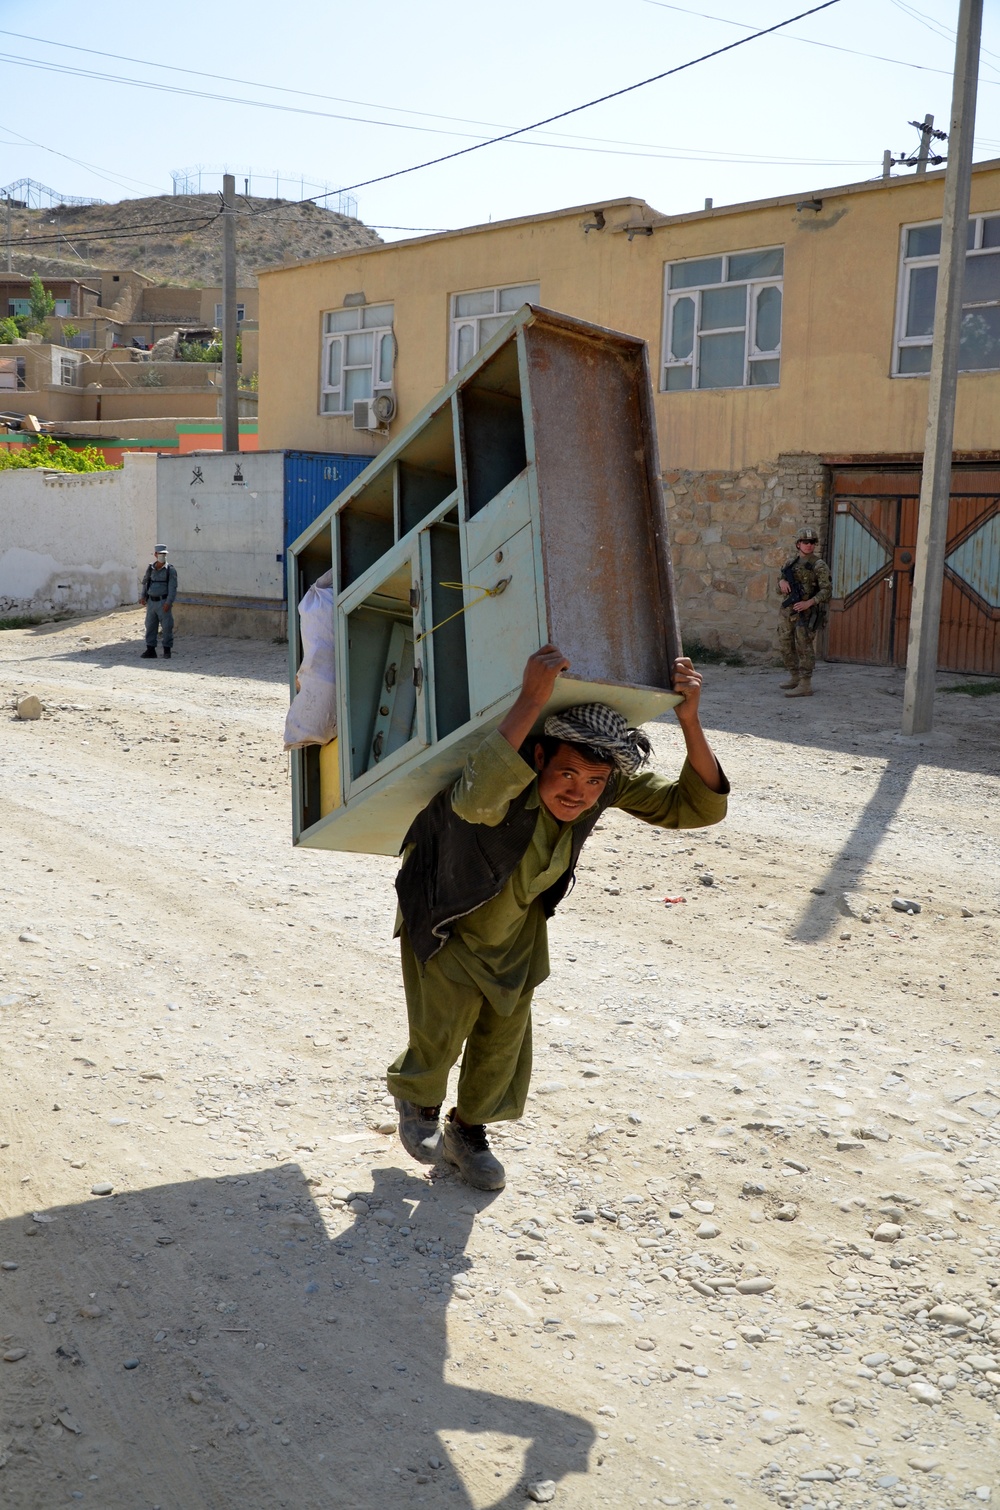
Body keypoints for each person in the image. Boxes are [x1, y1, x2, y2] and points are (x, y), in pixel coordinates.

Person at [387, 645, 729, 1191]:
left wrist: (689, 719)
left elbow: (697, 807)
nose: (580, 793)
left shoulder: (599, 785)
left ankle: (468, 1133)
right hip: (447, 913)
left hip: (517, 929)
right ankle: (419, 1100)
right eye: (568, 774)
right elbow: (474, 802)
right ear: (541, 757)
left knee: (506, 1037)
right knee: (441, 1026)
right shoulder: (503, 778)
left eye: (595, 782)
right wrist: (531, 698)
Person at [777, 528, 832, 698]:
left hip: (807, 612)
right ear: (798, 544)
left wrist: (809, 602)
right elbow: (778, 588)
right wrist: (781, 582)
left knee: (804, 646)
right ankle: (794, 677)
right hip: (789, 610)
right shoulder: (790, 563)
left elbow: (827, 591)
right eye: (805, 542)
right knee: (785, 643)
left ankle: (805, 683)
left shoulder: (819, 565)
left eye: (812, 542)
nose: (809, 545)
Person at [140, 545, 177, 660]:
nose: (162, 556)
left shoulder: (170, 570)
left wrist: (168, 602)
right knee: (150, 626)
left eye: (164, 554)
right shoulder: (150, 568)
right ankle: (150, 650)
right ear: (155, 554)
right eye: (160, 554)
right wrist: (143, 596)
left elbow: (172, 588)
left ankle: (167, 650)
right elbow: (146, 583)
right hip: (151, 602)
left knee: (166, 626)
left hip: (163, 602)